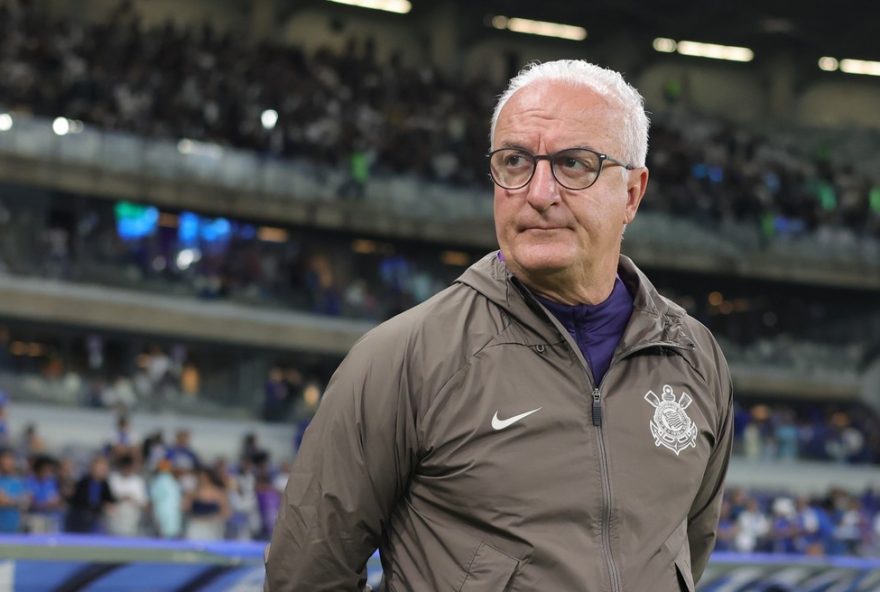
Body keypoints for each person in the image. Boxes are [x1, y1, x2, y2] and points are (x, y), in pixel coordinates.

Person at [265, 59, 733, 591]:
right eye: (514, 161)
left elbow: (684, 549)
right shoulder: (403, 357)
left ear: (631, 193)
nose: (538, 192)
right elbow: (305, 575)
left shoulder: (695, 357)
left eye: (574, 164)